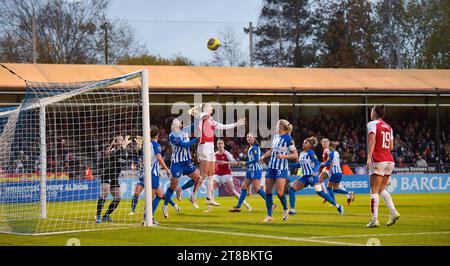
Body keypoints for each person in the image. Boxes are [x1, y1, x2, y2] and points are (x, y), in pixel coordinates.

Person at [188, 103, 245, 207]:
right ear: (205, 108)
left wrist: (236, 124)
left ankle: (210, 197)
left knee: (211, 174)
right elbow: (200, 117)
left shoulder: (211, 119)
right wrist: (200, 112)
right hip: (204, 146)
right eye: (210, 106)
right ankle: (193, 196)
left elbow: (223, 126)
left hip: (210, 147)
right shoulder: (203, 117)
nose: (212, 107)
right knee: (203, 175)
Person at [288, 137, 344, 216]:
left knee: (320, 192)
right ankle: (293, 210)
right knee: (291, 189)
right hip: (304, 177)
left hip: (312, 176)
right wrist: (288, 165)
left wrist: (315, 171)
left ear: (310, 145)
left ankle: (338, 206)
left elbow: (317, 163)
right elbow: (298, 165)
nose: (303, 144)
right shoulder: (301, 154)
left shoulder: (311, 153)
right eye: (304, 142)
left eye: (305, 143)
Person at [366, 105, 400, 227]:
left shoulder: (372, 124)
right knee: (381, 189)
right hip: (389, 160)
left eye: (371, 111)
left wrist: (369, 157)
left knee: (374, 190)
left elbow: (372, 140)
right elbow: (391, 146)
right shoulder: (389, 127)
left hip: (378, 159)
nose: (370, 113)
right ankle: (394, 212)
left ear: (374, 112)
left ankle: (374, 220)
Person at [129, 135, 179, 217]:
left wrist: (163, 169)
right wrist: (135, 165)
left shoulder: (152, 147)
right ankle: (134, 211)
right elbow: (136, 160)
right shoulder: (142, 152)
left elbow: (157, 159)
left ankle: (173, 205)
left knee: (160, 195)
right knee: (138, 191)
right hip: (143, 175)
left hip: (151, 174)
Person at [258, 119, 298, 222]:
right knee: (268, 191)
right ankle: (269, 215)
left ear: (281, 127)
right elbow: (272, 151)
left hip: (281, 168)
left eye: (277, 125)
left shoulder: (288, 139)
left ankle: (285, 209)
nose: (275, 126)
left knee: (279, 192)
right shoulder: (276, 137)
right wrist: (263, 157)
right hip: (272, 166)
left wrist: (283, 156)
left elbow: (295, 154)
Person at [162, 118, 201, 219]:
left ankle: (181, 190)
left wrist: (199, 116)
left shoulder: (185, 131)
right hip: (177, 164)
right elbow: (185, 145)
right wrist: (197, 139)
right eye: (178, 121)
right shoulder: (172, 136)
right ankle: (165, 206)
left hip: (187, 162)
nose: (180, 122)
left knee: (198, 178)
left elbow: (194, 124)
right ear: (174, 125)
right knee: (172, 186)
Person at [230, 133, 274, 212]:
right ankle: (238, 206)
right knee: (244, 187)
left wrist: (246, 163)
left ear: (254, 138)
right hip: (250, 170)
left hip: (255, 170)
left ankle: (271, 203)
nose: (248, 138)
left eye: (250, 137)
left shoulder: (255, 148)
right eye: (247, 137)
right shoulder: (250, 147)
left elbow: (256, 159)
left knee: (257, 189)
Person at [205, 139, 251, 212]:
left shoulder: (227, 154)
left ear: (223, 145)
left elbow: (235, 163)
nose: (220, 145)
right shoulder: (215, 154)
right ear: (216, 145)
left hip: (226, 175)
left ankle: (247, 206)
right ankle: (209, 208)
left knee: (234, 192)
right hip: (217, 175)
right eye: (218, 143)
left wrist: (225, 162)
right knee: (211, 189)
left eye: (221, 143)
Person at [95, 135, 130, 223]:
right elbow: (116, 154)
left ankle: (106, 215)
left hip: (115, 176)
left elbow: (124, 160)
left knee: (118, 198)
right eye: (120, 139)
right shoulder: (112, 150)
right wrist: (124, 147)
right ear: (115, 141)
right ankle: (98, 216)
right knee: (104, 195)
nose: (122, 140)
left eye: (123, 139)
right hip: (107, 174)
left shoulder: (123, 151)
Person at [320, 141, 355, 206]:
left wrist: (323, 164)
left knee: (329, 188)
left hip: (333, 172)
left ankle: (332, 201)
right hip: (339, 172)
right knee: (335, 189)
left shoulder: (329, 152)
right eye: (323, 142)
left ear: (330, 146)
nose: (324, 144)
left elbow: (328, 162)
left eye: (325, 142)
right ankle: (349, 193)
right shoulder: (336, 153)